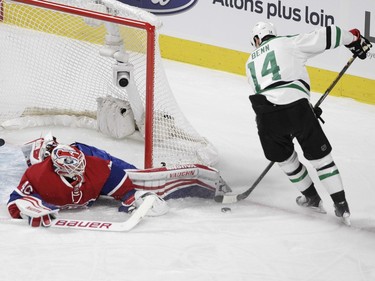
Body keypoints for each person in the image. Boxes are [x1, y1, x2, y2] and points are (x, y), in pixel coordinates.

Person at [245, 22, 371, 225]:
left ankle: (312, 198)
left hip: (266, 117)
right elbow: (330, 33)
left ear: (257, 40)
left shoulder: (249, 62)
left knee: (286, 159)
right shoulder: (288, 42)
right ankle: (341, 205)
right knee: (321, 160)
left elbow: (271, 90)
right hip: (297, 109)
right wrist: (354, 38)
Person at [7, 134, 231, 227]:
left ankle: (207, 186)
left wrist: (133, 196)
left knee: (135, 176)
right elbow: (16, 199)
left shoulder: (92, 164)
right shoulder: (37, 175)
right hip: (56, 156)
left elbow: (121, 181)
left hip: (84, 152)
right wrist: (30, 208)